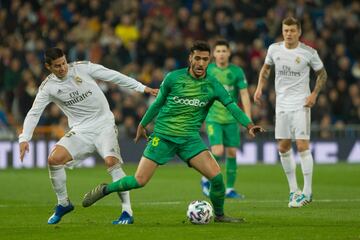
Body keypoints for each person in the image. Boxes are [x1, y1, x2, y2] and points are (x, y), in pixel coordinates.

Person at [82, 41, 264, 223]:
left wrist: (249, 125)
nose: (201, 63)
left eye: (205, 59)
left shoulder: (212, 84)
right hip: (163, 137)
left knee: (217, 179)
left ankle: (220, 215)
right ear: (190, 58)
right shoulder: (173, 78)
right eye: (198, 58)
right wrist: (142, 124)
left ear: (209, 61)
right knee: (139, 180)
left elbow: (231, 105)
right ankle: (106, 189)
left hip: (190, 140)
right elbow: (158, 103)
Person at [19, 47, 158, 224]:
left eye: (63, 63)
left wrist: (142, 88)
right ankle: (63, 203)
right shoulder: (48, 87)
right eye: (57, 66)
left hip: (104, 125)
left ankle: (127, 212)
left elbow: (112, 75)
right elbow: (34, 113)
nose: (62, 68)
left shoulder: (82, 68)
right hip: (81, 130)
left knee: (111, 162)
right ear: (48, 67)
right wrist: (24, 138)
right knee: (54, 159)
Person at [254, 17, 327, 208]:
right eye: (285, 30)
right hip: (282, 105)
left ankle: (308, 192)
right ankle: (294, 191)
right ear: (282, 30)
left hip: (301, 104)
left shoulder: (309, 52)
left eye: (292, 30)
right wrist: (259, 87)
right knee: (283, 147)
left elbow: (322, 74)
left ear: (299, 32)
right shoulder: (274, 49)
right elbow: (265, 69)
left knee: (302, 145)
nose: (288, 34)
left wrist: (314, 94)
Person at [201, 39, 252, 199]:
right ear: (213, 54)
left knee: (232, 152)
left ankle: (229, 189)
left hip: (231, 119)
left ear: (229, 53)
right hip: (213, 117)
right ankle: (205, 177)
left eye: (224, 51)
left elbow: (244, 94)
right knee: (218, 150)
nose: (221, 54)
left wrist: (248, 119)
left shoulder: (237, 71)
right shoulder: (208, 71)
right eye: (218, 51)